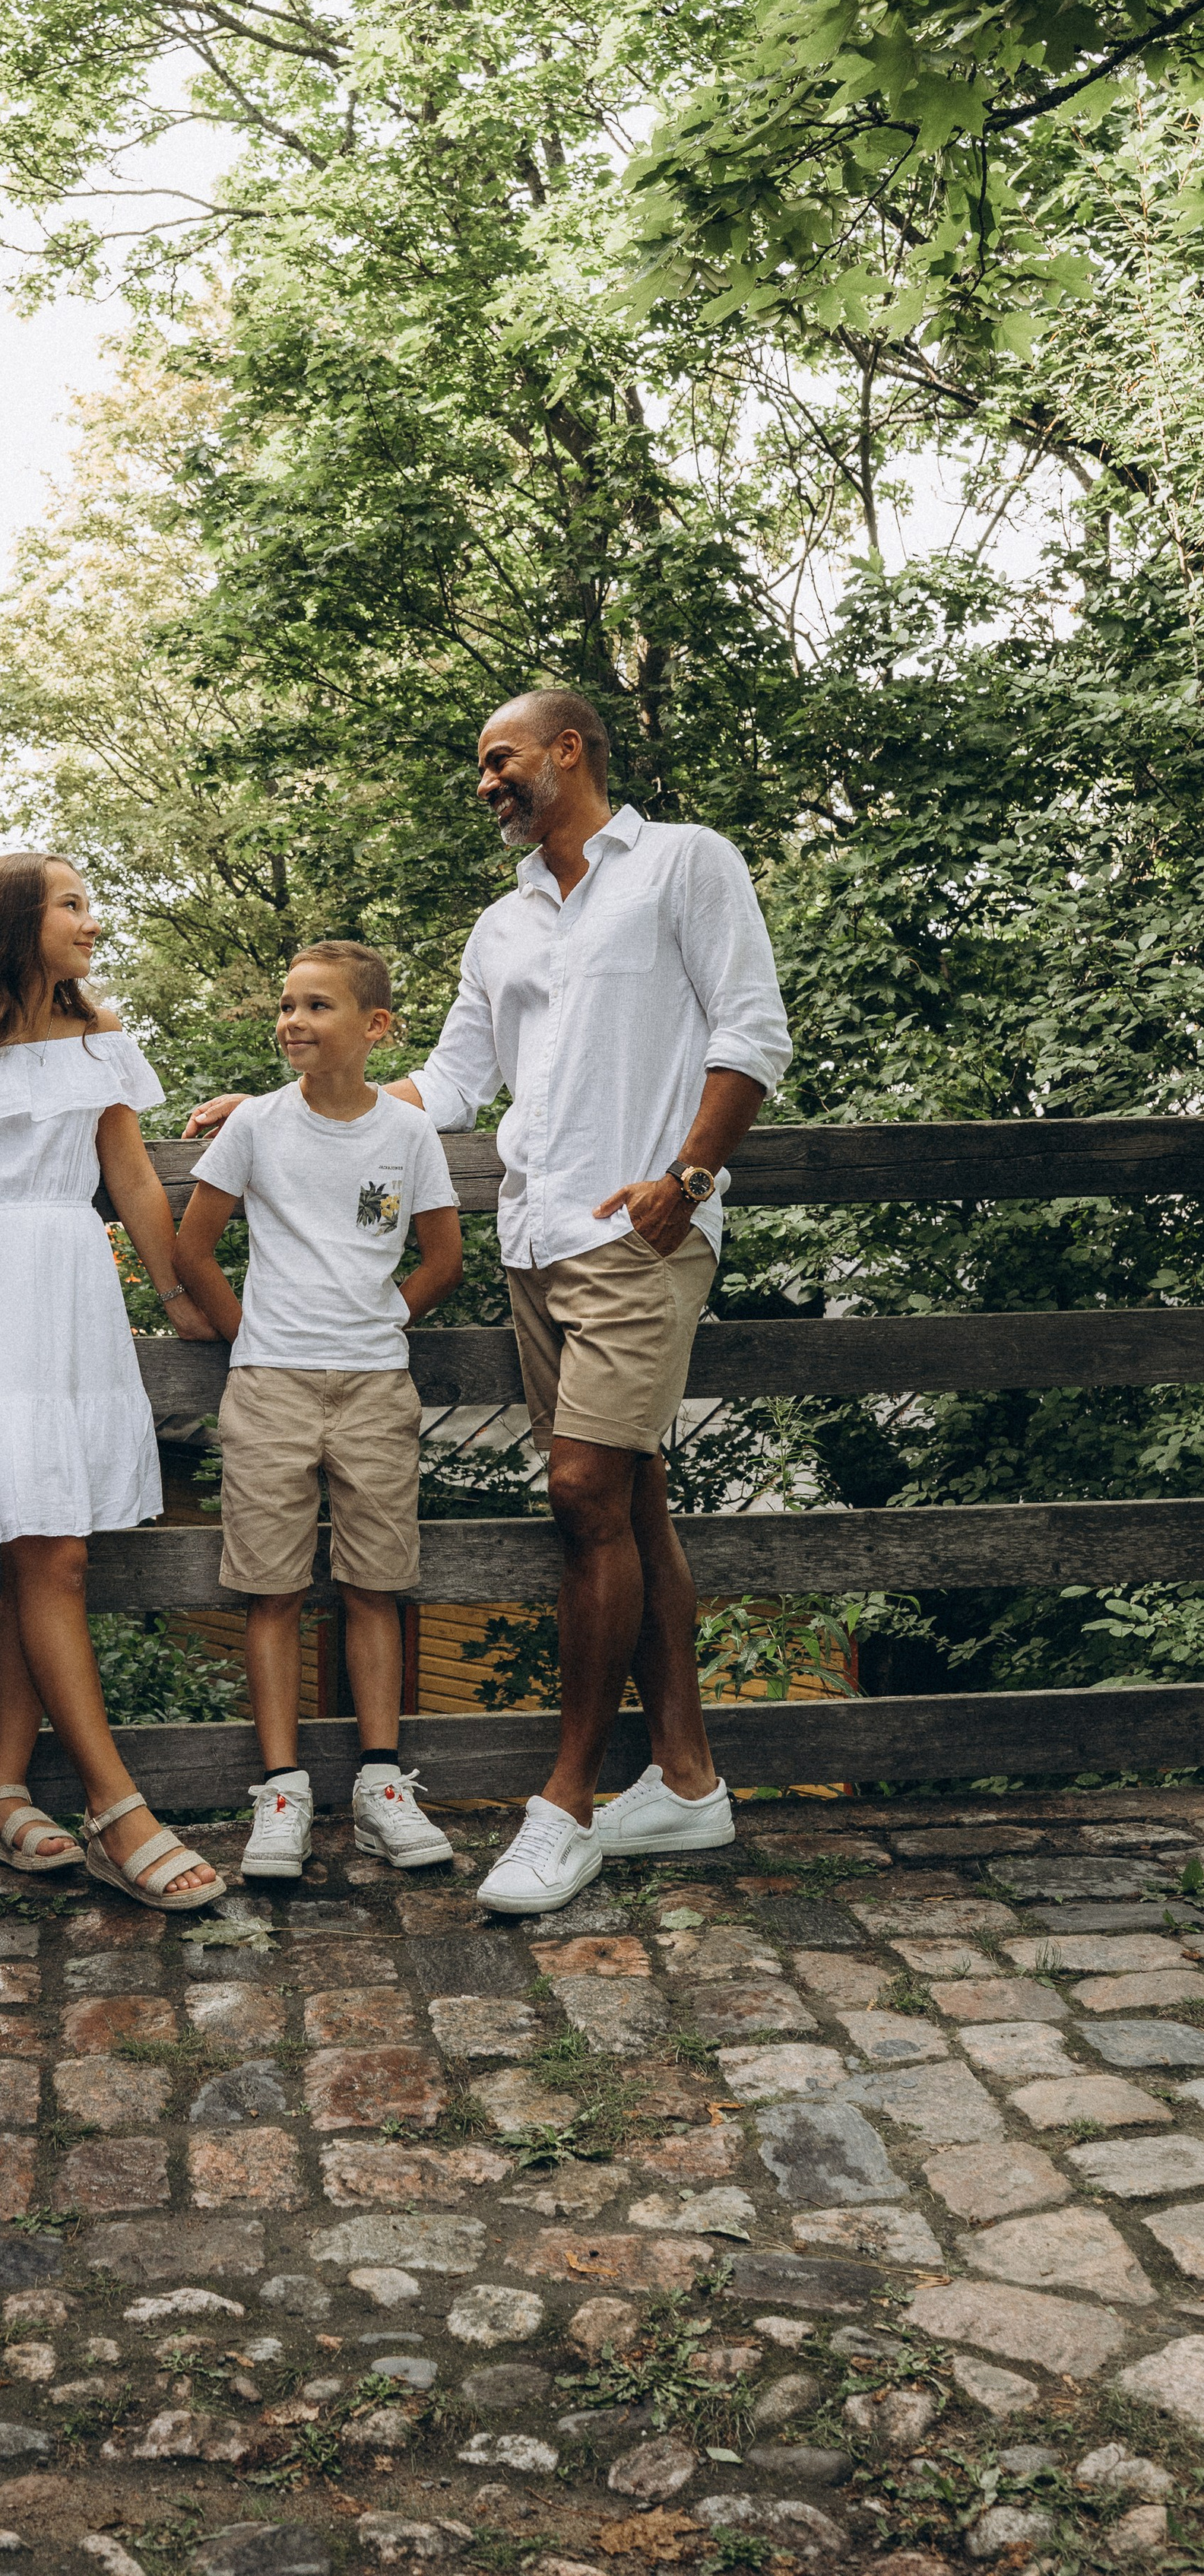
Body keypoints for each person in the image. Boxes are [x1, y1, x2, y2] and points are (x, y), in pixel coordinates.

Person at [188, 687, 791, 1915]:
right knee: (632, 1495)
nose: (486, 782)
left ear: (568, 751)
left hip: (639, 1231)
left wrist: (689, 1177)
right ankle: (685, 1777)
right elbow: (449, 1086)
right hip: (532, 1242)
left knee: (580, 1493)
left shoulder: (683, 866)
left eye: (499, 759)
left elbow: (752, 1035)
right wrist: (270, 1109)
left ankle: (562, 1806)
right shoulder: (501, 928)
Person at [0, 852, 227, 1912]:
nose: (92, 923)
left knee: (47, 1539)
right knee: (53, 1551)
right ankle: (118, 1807)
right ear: (16, 922)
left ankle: (4, 1793)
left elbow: (132, 1178)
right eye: (73, 904)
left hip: (70, 1298)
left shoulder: (97, 1041)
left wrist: (176, 1294)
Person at [174, 943, 464, 1880]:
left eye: (318, 1006)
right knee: (272, 1586)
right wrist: (244, 1335)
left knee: (376, 1581)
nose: (293, 1020)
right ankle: (283, 1790)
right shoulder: (256, 1126)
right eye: (287, 1004)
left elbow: (441, 1260)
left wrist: (380, 1319)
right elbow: (194, 1245)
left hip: (375, 1385)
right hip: (269, 1386)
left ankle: (381, 1785)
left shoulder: (408, 1137)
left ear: (374, 1027)